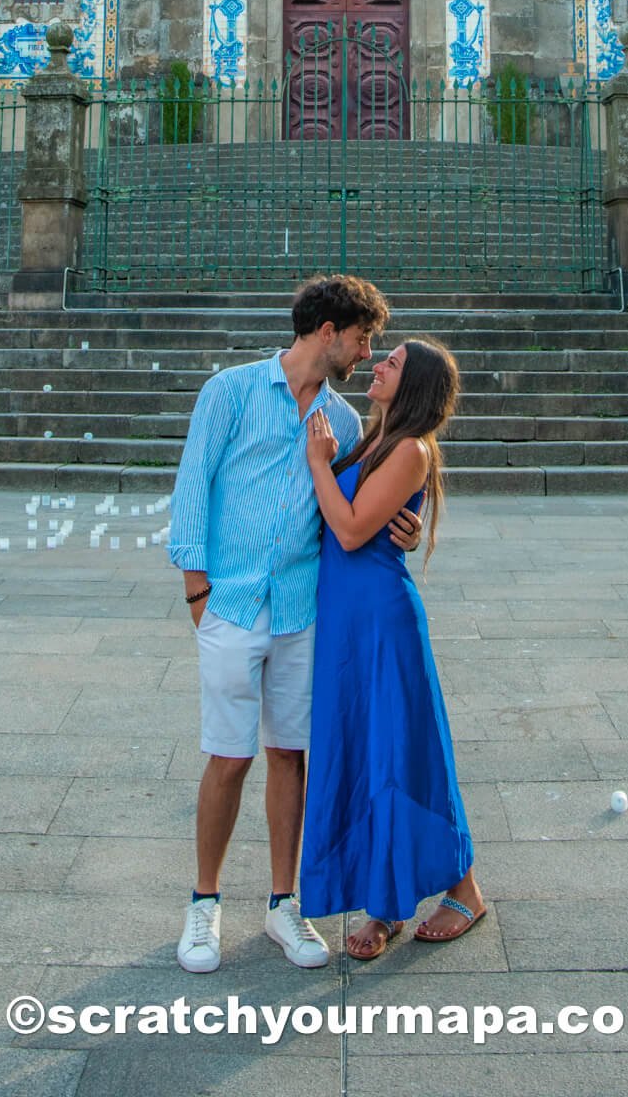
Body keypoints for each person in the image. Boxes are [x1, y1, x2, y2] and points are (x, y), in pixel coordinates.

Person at [167, 274, 421, 974]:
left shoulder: (342, 423)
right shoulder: (230, 391)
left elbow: (360, 502)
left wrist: (402, 529)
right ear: (327, 330)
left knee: (289, 756)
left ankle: (285, 904)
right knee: (227, 756)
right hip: (230, 604)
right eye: (362, 337)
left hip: (301, 611)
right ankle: (204, 903)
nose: (367, 352)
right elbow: (192, 484)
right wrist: (196, 591)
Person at [299, 338, 485, 959]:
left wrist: (320, 465)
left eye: (394, 364)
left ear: (415, 387)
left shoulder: (409, 449)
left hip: (383, 621)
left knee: (406, 754)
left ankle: (465, 889)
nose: (378, 365)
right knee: (369, 754)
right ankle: (386, 904)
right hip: (348, 622)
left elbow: (350, 531)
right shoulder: (371, 439)